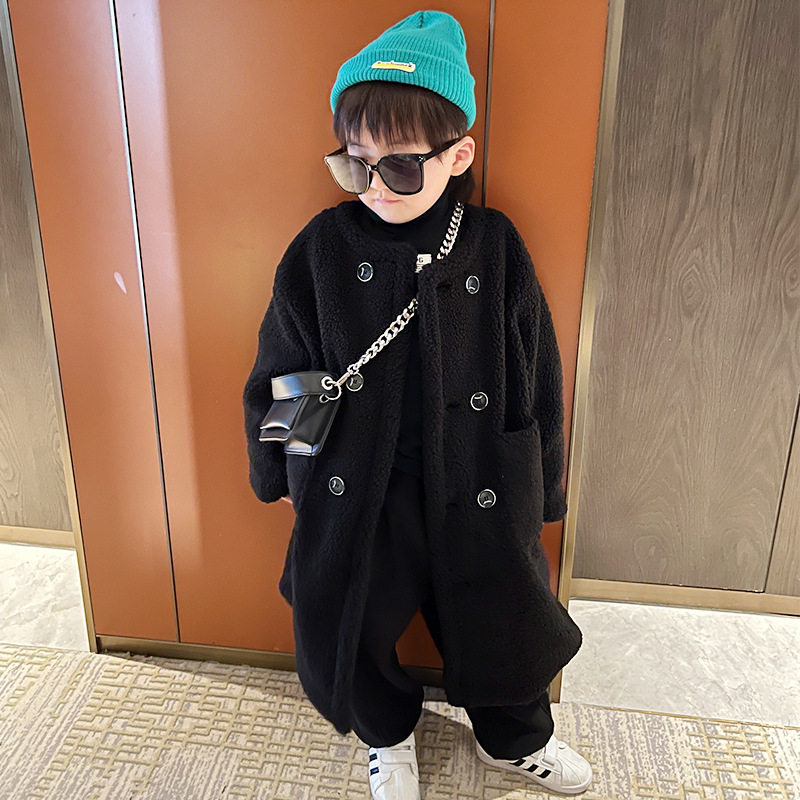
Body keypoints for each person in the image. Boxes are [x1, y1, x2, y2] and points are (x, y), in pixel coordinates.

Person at [243, 10, 592, 799]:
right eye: (354, 164)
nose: (374, 186)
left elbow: (537, 373)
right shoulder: (323, 248)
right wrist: (289, 474)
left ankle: (515, 739)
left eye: (400, 167)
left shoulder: (493, 244)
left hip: (480, 476)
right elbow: (287, 365)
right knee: (353, 617)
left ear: (457, 154)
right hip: (365, 487)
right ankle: (386, 732)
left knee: (507, 616)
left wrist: (545, 485)